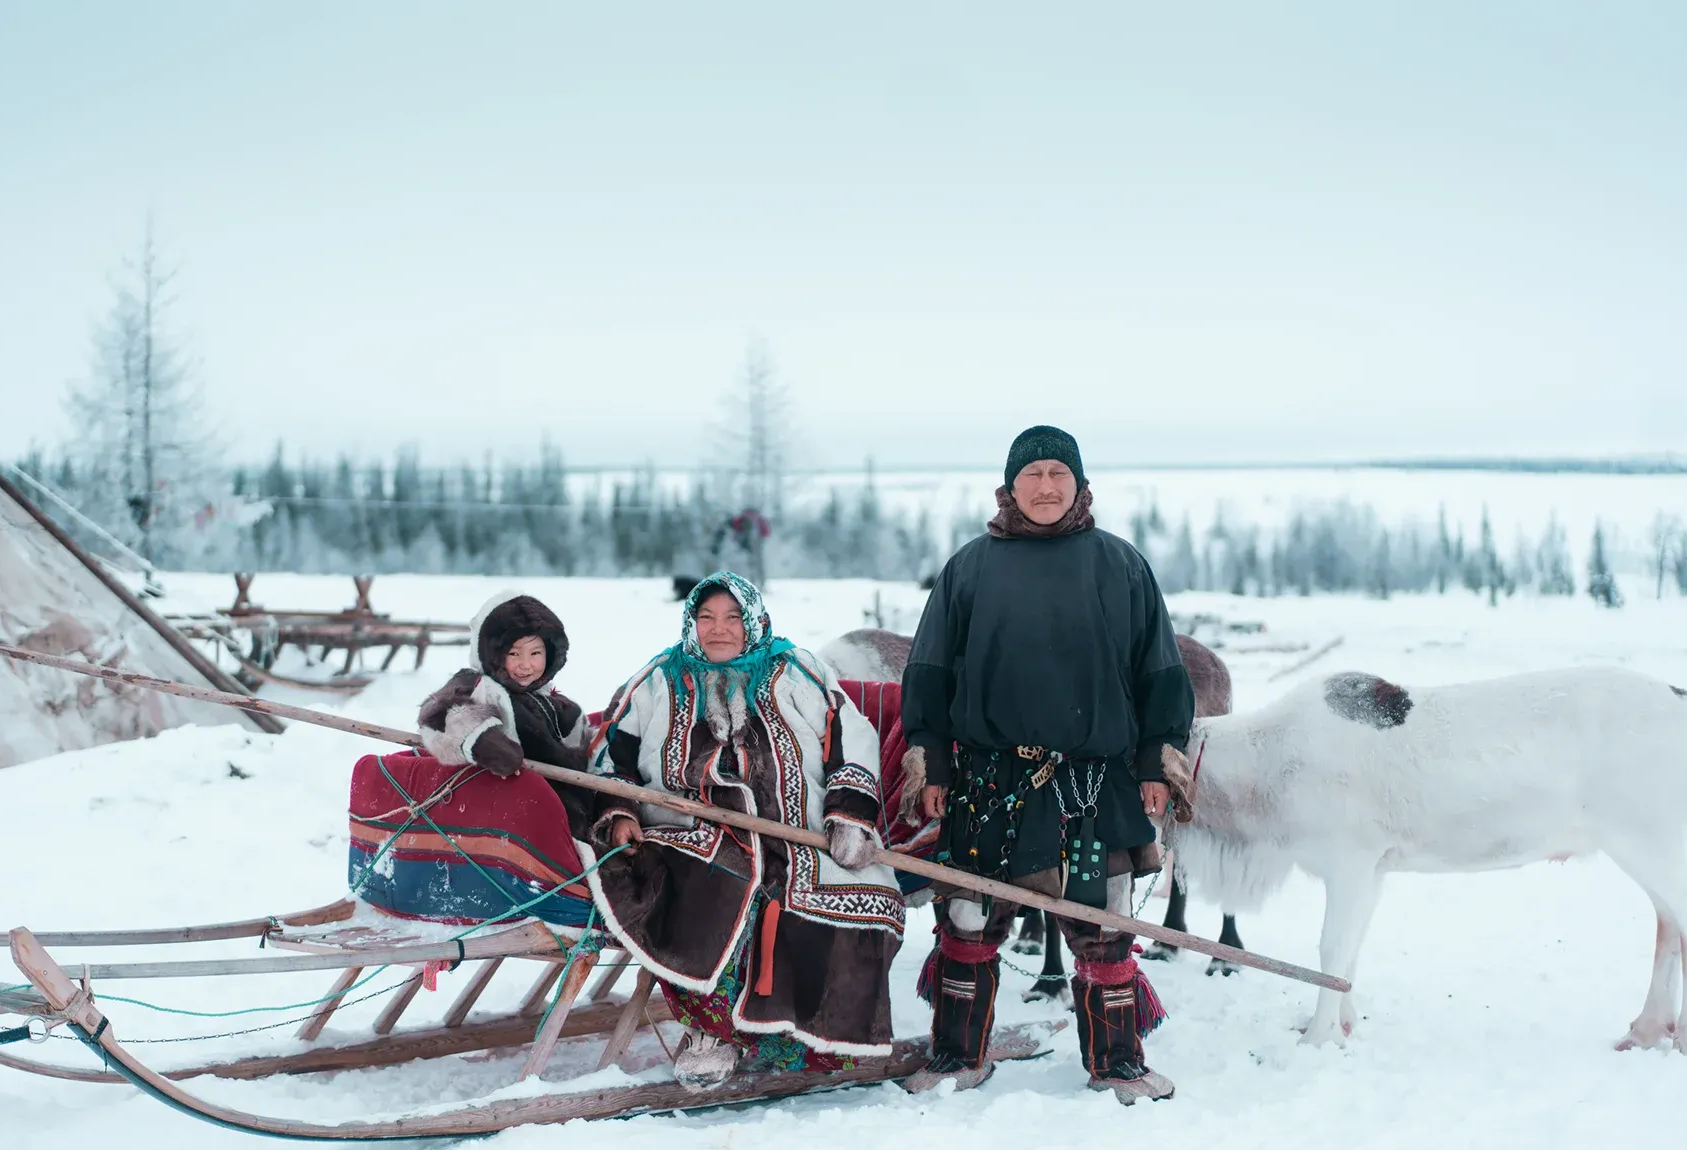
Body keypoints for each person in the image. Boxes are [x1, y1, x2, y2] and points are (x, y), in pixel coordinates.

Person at [899, 425, 1195, 1104]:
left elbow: (1160, 670)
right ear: (1009, 488)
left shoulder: (1121, 565)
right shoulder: (969, 568)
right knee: (968, 927)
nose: (1045, 487)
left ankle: (1117, 1064)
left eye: (1058, 474)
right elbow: (931, 671)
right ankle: (957, 1057)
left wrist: (1157, 759)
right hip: (985, 784)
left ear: (1080, 486)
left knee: (1107, 928)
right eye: (1031, 476)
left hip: (1092, 785)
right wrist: (934, 765)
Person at [587, 572, 903, 1089]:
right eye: (707, 618)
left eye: (733, 618)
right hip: (685, 829)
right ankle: (710, 1033)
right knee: (714, 883)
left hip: (800, 830)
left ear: (753, 620)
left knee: (861, 895)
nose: (719, 630)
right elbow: (610, 753)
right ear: (692, 621)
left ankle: (801, 1036)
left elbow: (849, 736)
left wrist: (849, 813)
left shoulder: (797, 670)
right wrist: (618, 809)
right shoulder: (658, 679)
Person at [416, 592, 593, 831]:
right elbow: (440, 715)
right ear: (493, 653)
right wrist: (486, 744)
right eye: (513, 653)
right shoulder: (477, 685)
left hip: (564, 797)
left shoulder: (555, 703)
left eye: (535, 653)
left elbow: (582, 742)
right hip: (506, 801)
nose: (525, 664)